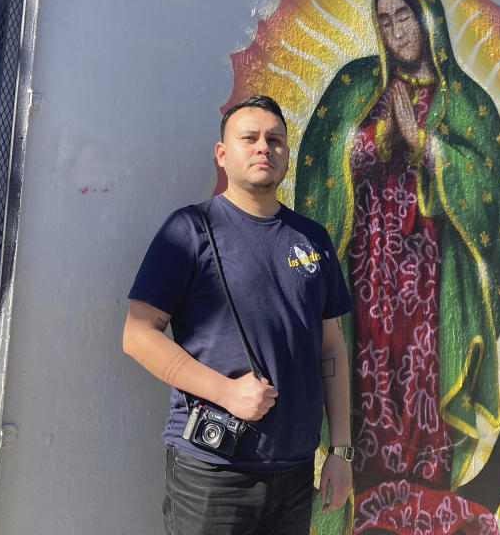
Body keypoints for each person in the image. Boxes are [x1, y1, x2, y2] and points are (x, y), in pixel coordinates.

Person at [294, 0, 500, 534]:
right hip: (367, 268)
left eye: (406, 16)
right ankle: (366, 498)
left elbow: (492, 196)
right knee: (369, 372)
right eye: (385, 19)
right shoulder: (357, 85)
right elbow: (321, 162)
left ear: (430, 21)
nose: (396, 30)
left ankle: (420, 503)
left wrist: (427, 148)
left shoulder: (466, 102)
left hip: (433, 280)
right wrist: (374, 143)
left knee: (421, 376)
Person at [123, 95, 355, 535]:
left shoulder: (313, 238)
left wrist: (340, 451)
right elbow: (137, 336)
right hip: (213, 469)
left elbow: (332, 348)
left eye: (275, 139)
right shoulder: (188, 230)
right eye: (249, 138)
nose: (263, 147)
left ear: (287, 154)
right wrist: (225, 392)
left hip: (295, 469)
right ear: (222, 154)